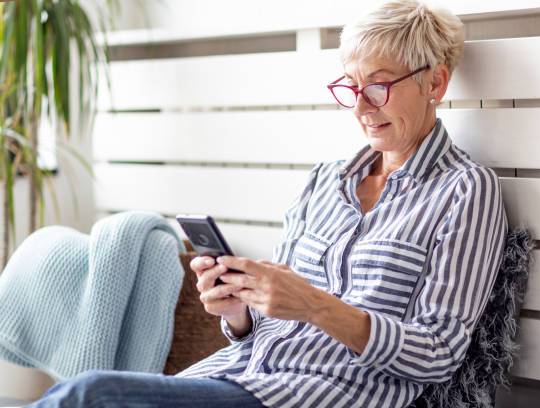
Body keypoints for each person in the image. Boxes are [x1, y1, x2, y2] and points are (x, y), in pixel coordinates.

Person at [27, 1, 507, 407]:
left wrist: (318, 308)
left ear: (435, 84)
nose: (361, 107)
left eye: (378, 86)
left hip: (321, 392)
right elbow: (261, 322)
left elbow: (439, 352)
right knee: (80, 393)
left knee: (90, 395)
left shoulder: (465, 191)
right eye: (351, 88)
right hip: (241, 372)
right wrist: (236, 310)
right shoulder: (326, 181)